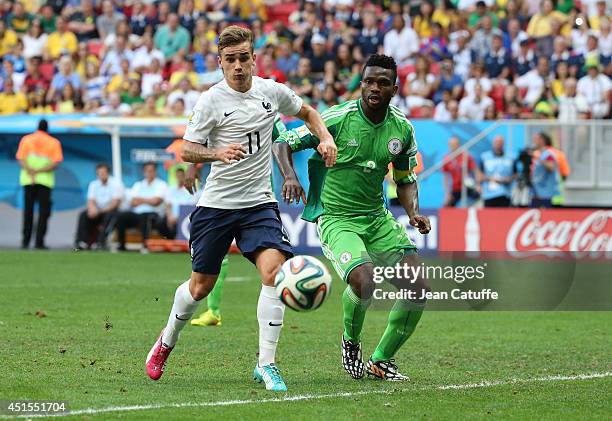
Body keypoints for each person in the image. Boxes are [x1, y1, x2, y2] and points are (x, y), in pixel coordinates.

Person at [145, 26, 337, 392]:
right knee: (200, 287)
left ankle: (267, 364)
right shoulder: (210, 101)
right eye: (229, 60)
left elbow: (309, 112)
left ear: (253, 59)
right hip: (216, 206)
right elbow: (187, 149)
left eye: (243, 58)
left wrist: (325, 137)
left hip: (258, 204)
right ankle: (166, 341)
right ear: (220, 63)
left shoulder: (271, 91)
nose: (237, 66)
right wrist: (214, 154)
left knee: (274, 273)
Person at [274, 54, 431, 381]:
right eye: (369, 81)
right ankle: (351, 341)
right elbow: (283, 144)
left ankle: (381, 360)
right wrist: (290, 177)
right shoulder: (337, 119)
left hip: (376, 218)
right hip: (337, 218)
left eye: (383, 83)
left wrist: (414, 212)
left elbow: (405, 179)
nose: (375, 88)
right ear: (361, 84)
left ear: (394, 89)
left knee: (417, 286)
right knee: (365, 279)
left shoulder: (401, 129)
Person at [190, 116, 289, 328]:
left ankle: (265, 355)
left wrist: (288, 175)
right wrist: (193, 167)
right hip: (222, 197)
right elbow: (199, 141)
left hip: (257, 198)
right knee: (215, 260)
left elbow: (284, 140)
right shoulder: (218, 105)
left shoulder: (267, 108)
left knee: (271, 267)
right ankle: (213, 310)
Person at [15, 119, 63, 249]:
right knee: (43, 212)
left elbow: (20, 158)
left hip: (28, 179)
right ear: (47, 129)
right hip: (45, 181)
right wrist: (39, 171)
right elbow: (56, 162)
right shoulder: (54, 142)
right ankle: (39, 242)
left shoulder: (26, 139)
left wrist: (31, 171)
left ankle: (25, 241)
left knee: (28, 211)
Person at [115, 162, 168, 252]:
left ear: (155, 172)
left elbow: (156, 201)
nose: (149, 173)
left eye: (151, 171)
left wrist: (140, 200)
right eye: (147, 171)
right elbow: (132, 202)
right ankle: (121, 245)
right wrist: (148, 200)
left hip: (153, 214)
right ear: (144, 172)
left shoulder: (161, 184)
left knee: (145, 217)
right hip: (137, 213)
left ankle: (145, 245)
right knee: (121, 216)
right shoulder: (138, 185)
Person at [75, 163, 123, 250]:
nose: (101, 175)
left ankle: (100, 242)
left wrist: (99, 211)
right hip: (97, 210)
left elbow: (115, 203)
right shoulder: (93, 184)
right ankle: (82, 243)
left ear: (108, 173)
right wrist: (92, 209)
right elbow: (90, 200)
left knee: (110, 216)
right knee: (83, 215)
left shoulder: (116, 184)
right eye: (99, 173)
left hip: (110, 210)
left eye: (103, 172)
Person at [477, 135, 516, 207]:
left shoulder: (510, 157)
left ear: (503, 144)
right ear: (493, 143)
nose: (498, 144)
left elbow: (515, 174)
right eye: (497, 142)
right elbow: (479, 174)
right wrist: (490, 179)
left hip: (505, 193)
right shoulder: (485, 157)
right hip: (489, 194)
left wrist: (509, 179)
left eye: (500, 142)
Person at [442, 136, 478, 206]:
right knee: (447, 205)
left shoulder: (466, 156)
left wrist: (478, 185)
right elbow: (445, 177)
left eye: (455, 145)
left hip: (467, 185)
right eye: (451, 145)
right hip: (455, 187)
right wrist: (447, 193)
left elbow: (475, 171)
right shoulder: (447, 159)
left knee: (479, 197)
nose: (453, 147)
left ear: (458, 145)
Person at [530, 132, 560, 208]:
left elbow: (551, 167)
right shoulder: (536, 153)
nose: (534, 141)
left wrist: (540, 159)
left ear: (542, 140)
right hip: (535, 192)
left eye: (536, 139)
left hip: (546, 193)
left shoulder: (548, 154)